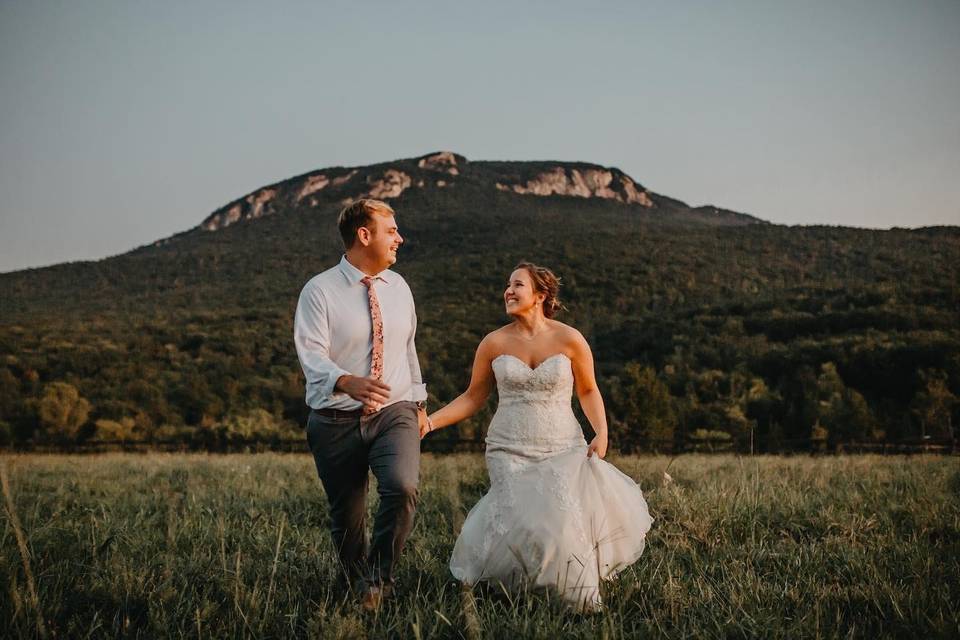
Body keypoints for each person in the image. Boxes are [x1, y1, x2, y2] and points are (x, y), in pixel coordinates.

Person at [422, 262, 653, 610]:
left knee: (558, 523)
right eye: (507, 285)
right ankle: (514, 595)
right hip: (507, 447)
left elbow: (588, 390)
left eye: (518, 285)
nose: (508, 291)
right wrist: (429, 423)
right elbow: (472, 397)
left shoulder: (570, 338)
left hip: (561, 447)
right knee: (521, 522)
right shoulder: (493, 342)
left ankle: (576, 601)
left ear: (540, 295)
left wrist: (601, 432)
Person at [293, 198, 429, 610]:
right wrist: (345, 381)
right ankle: (353, 586)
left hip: (395, 410)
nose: (399, 239)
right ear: (363, 235)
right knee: (347, 517)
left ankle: (378, 582)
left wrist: (419, 400)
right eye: (392, 231)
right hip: (335, 418)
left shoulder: (400, 287)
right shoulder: (319, 291)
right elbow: (311, 352)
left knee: (402, 486)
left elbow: (408, 348)